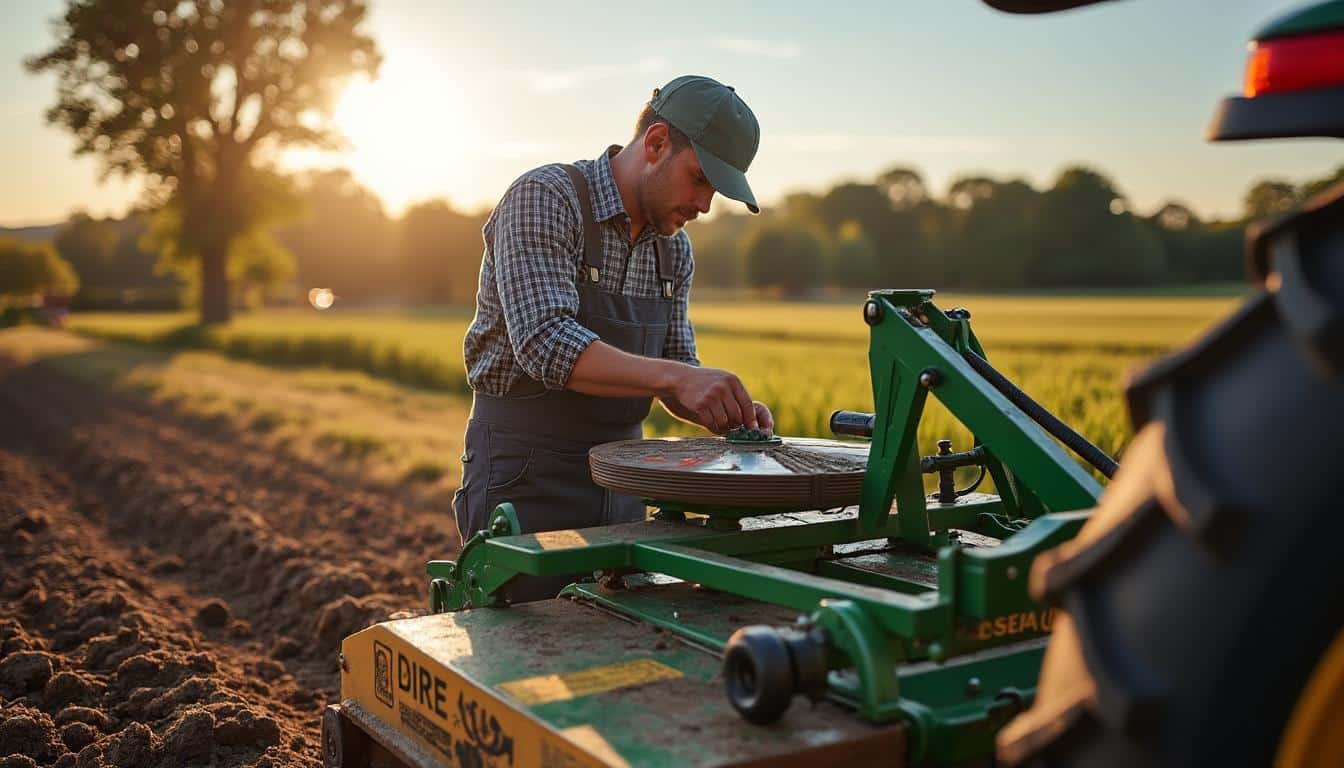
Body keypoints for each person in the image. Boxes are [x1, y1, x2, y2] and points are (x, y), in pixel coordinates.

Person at [453, 75, 775, 601]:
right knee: (524, 660)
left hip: (624, 483)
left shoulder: (675, 252)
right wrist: (679, 376)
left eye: (716, 191)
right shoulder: (545, 198)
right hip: (526, 477)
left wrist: (723, 409)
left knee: (620, 646)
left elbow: (676, 368)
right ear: (655, 144)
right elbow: (545, 342)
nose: (704, 205)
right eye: (699, 179)